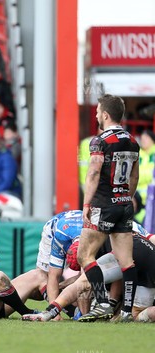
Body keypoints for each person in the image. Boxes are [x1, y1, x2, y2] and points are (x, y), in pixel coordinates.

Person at [77, 94, 140, 322]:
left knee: (84, 254)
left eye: (97, 112)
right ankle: (125, 312)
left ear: (105, 114)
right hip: (124, 203)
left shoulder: (100, 141)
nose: (95, 116)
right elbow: (134, 176)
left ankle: (103, 303)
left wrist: (86, 203)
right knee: (127, 262)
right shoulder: (133, 141)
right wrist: (125, 198)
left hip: (102, 204)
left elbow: (94, 172)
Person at [24, 232, 155, 322]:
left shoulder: (90, 241)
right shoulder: (120, 217)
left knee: (83, 282)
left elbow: (82, 283)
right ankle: (115, 308)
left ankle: (49, 312)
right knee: (137, 315)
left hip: (129, 252)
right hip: (147, 259)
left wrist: (85, 312)